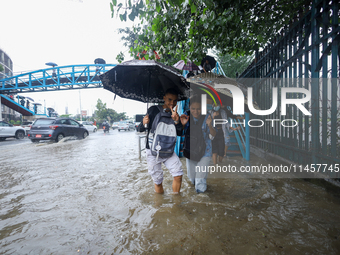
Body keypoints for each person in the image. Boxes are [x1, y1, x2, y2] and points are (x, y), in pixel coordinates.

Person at [138, 88, 183, 194]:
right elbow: (140, 129)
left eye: (175, 101)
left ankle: (176, 201)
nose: (172, 103)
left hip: (169, 151)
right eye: (169, 99)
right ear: (164, 98)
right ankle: (160, 203)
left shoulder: (176, 114)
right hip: (153, 152)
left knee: (178, 175)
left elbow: (180, 133)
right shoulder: (153, 110)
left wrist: (177, 121)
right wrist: (143, 122)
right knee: (158, 182)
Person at [180, 95, 216, 193]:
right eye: (193, 109)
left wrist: (210, 125)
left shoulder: (208, 117)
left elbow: (213, 135)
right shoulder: (185, 115)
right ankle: (194, 198)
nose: (196, 112)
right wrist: (181, 125)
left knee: (200, 179)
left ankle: (201, 199)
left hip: (205, 152)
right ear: (189, 107)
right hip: (190, 150)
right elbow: (179, 132)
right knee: (191, 179)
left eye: (199, 109)